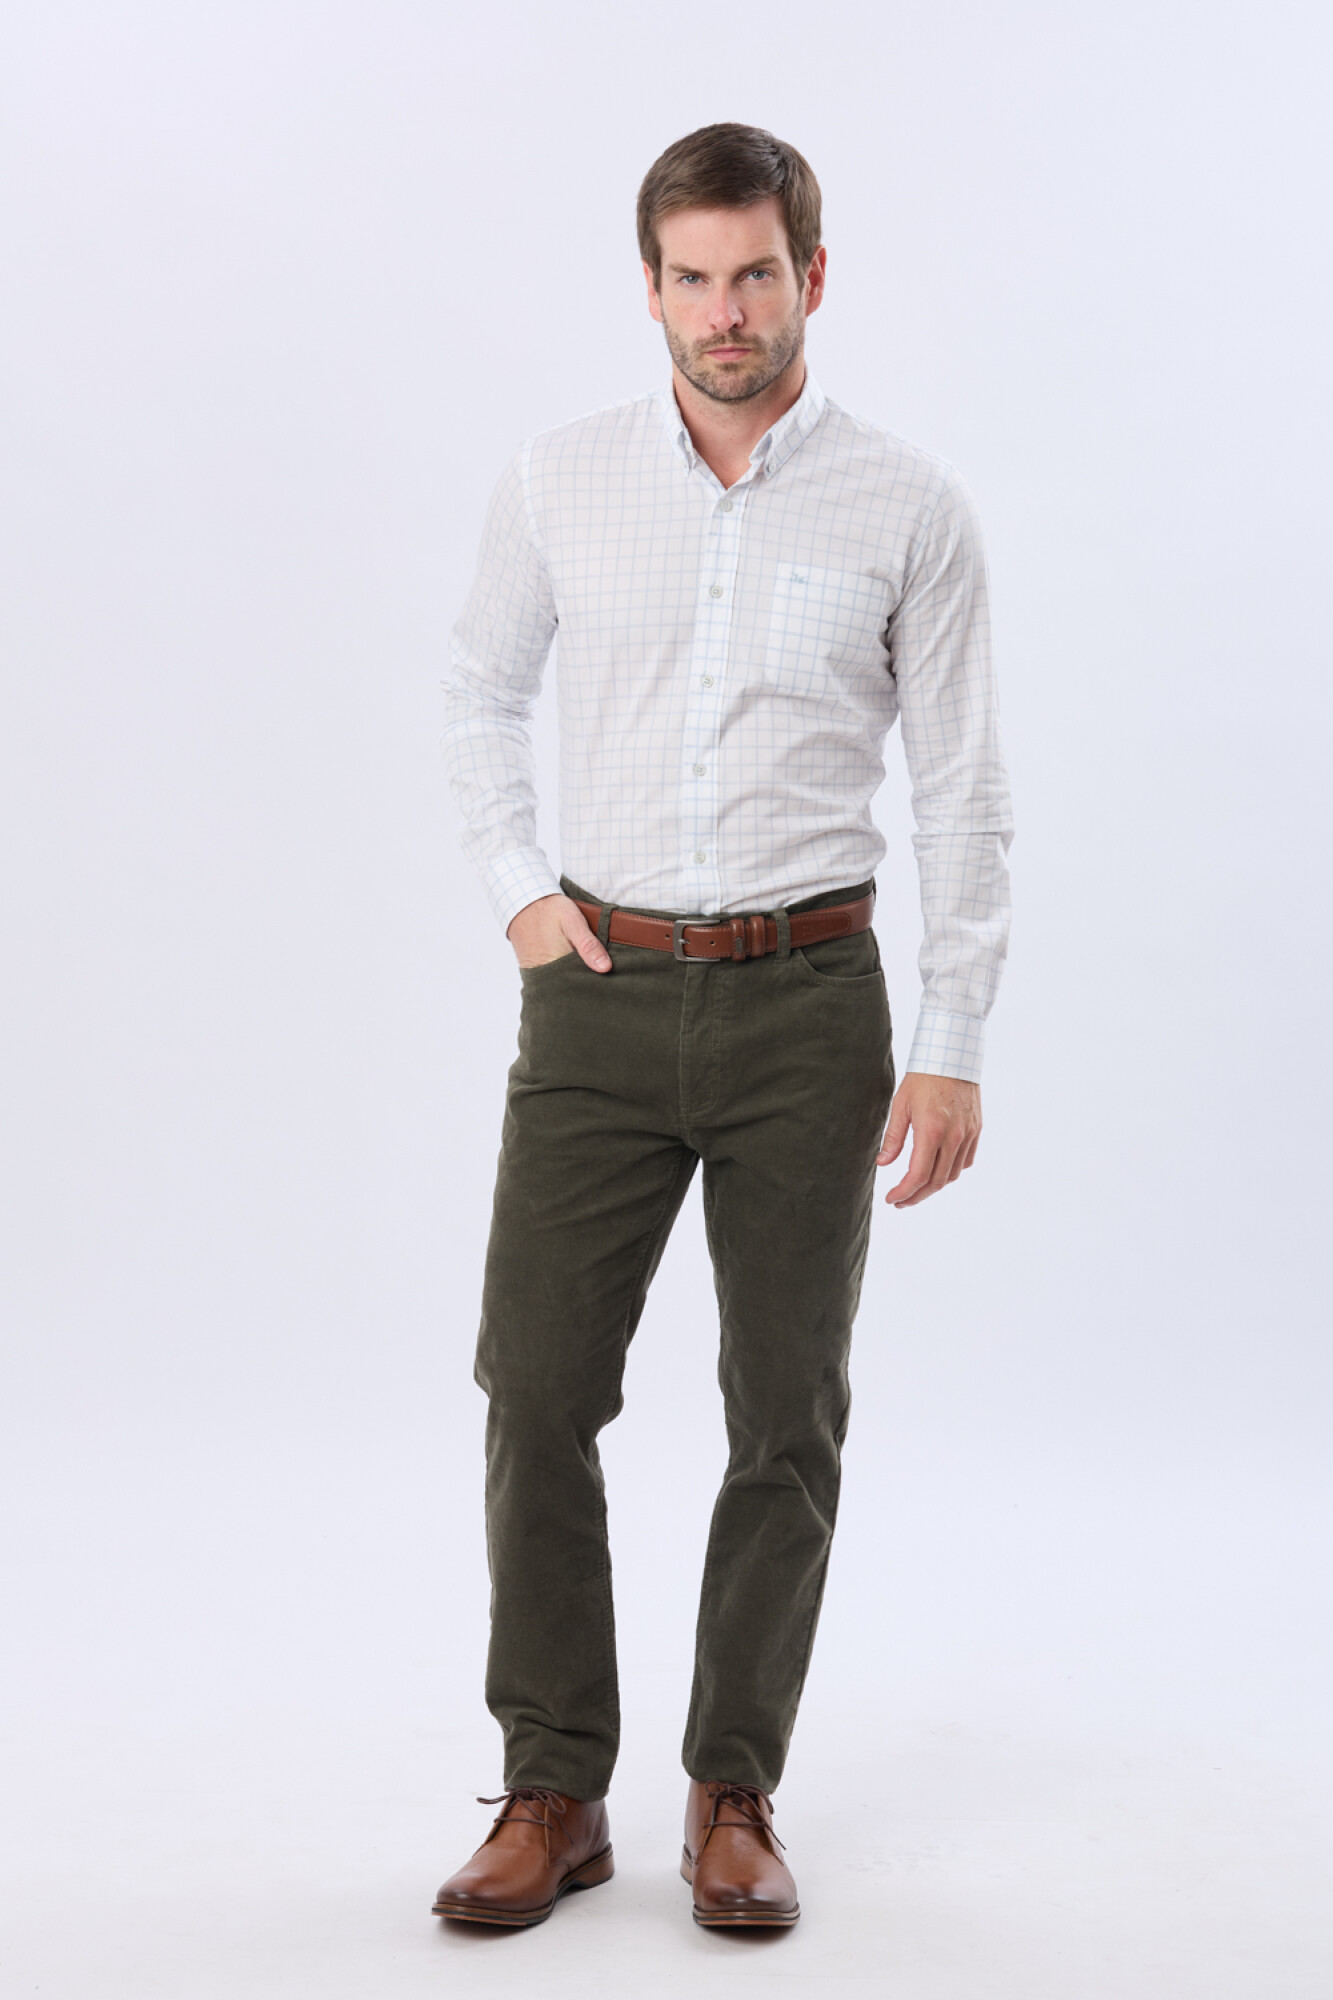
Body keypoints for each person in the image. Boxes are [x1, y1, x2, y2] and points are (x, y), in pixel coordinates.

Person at [431, 121, 1014, 1931]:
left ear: (809, 276)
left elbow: (963, 788)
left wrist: (952, 1034)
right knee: (537, 1386)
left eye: (754, 273)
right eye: (690, 278)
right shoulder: (558, 480)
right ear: (651, 289)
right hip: (596, 997)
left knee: (784, 1407)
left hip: (808, 1006)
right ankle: (552, 1787)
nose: (724, 311)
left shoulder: (907, 505)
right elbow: (475, 691)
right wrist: (518, 890)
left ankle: (732, 1788)